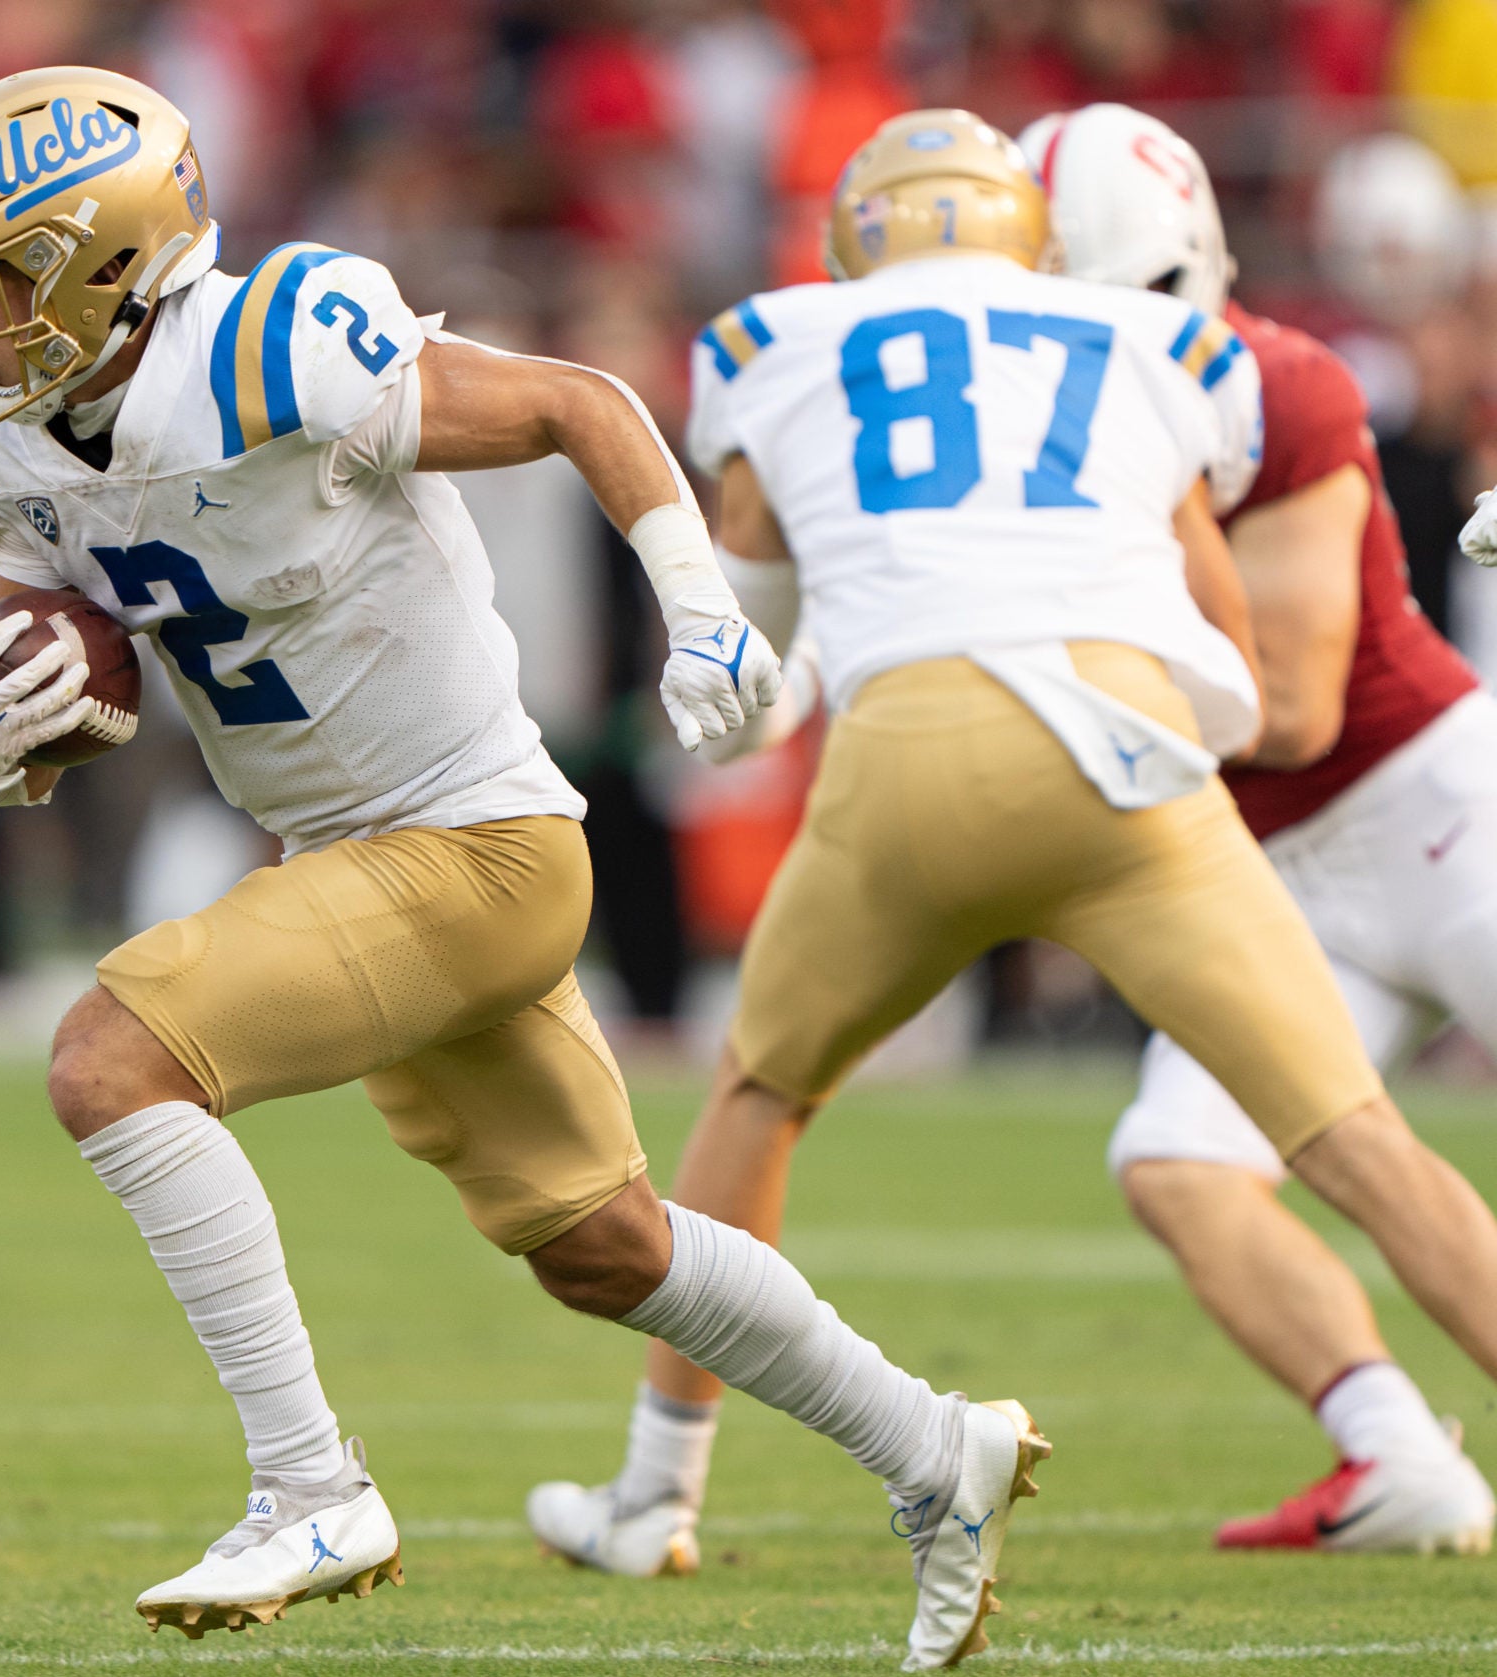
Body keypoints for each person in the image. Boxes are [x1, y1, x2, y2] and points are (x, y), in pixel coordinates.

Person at [0, 67, 1049, 1671]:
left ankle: (309, 1485)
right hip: (361, 862)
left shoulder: (276, 341)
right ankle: (937, 1448)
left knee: (115, 1057)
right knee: (604, 1246)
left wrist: (700, 607)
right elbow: (91, 666)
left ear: (107, 261)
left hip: (475, 842)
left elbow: (580, 402)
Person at [525, 109, 1497, 1580]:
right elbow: (1239, 684)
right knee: (1289, 1147)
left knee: (759, 1093)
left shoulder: (785, 347)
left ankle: (658, 1493)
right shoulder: (1165, 365)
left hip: (1347, 806)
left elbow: (744, 670)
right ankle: (1399, 1451)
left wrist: (864, 660)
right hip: (1161, 789)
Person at [1024, 104, 1497, 1553]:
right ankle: (1394, 1453)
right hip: (1280, 873)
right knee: (1175, 1159)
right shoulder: (1036, 433)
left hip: (1430, 809)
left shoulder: (1276, 389)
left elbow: (1287, 708)